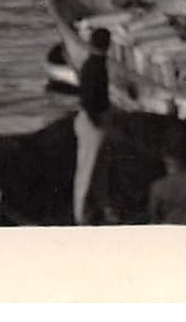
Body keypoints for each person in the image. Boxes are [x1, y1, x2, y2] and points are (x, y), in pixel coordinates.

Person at [73, 27, 111, 224]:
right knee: (89, 168)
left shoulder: (92, 64)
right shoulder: (95, 66)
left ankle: (93, 210)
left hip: (92, 119)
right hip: (93, 121)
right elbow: (89, 102)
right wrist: (99, 123)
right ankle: (81, 214)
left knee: (93, 167)